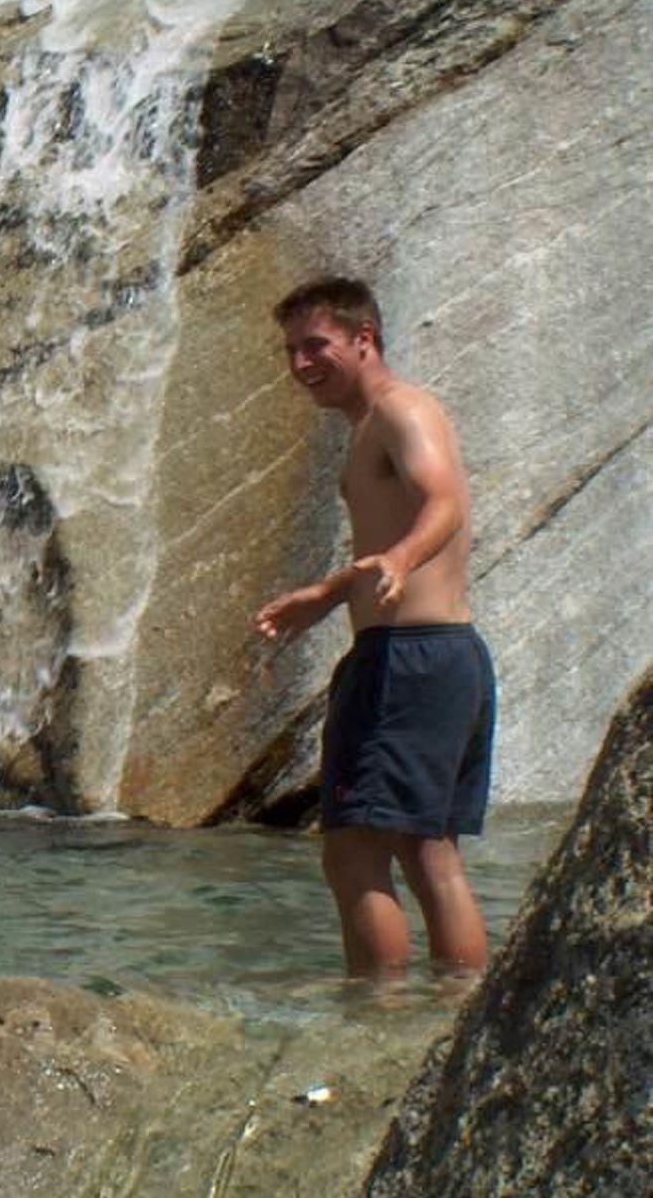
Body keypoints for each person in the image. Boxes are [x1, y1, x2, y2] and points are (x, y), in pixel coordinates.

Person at [253, 277, 494, 979]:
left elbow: (442, 500)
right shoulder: (375, 423)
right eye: (291, 350)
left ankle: (376, 1022)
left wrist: (401, 555)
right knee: (427, 850)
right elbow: (398, 530)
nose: (301, 364)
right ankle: (455, 1014)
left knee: (353, 852)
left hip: (409, 660)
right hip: (439, 655)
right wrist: (329, 594)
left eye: (316, 345)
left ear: (365, 340)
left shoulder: (401, 410)